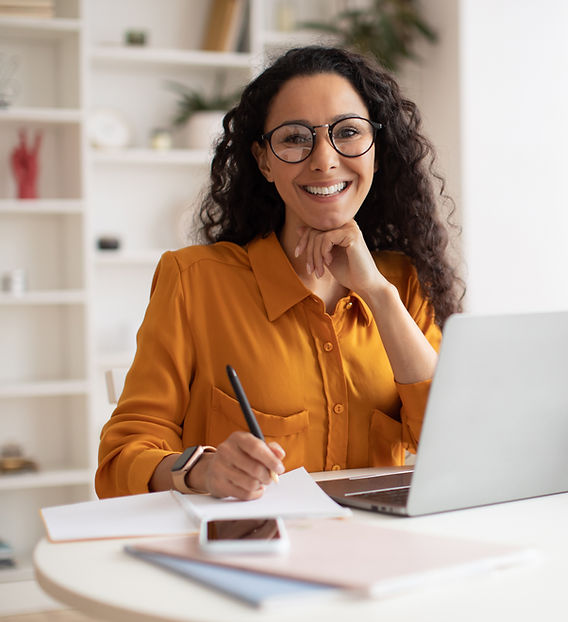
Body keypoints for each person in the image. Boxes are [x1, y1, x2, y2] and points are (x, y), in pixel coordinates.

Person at [96, 46, 463, 500]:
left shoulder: (402, 284)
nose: (324, 159)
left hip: (375, 555)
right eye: (294, 138)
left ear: (377, 151)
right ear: (264, 160)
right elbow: (121, 458)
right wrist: (203, 470)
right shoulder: (194, 281)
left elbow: (456, 446)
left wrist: (378, 294)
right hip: (247, 556)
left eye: (347, 132)